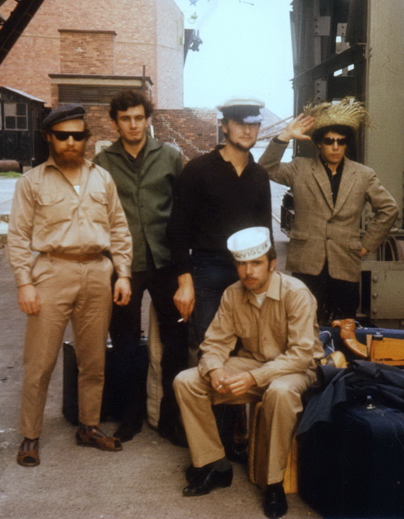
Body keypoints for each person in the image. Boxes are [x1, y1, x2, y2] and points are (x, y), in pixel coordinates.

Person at [7, 104, 133, 467]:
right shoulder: (31, 182)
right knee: (40, 361)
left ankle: (88, 426)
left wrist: (123, 273)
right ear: (49, 137)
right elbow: (18, 237)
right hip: (52, 271)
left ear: (86, 138)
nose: (71, 142)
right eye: (63, 136)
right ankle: (30, 435)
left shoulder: (102, 178)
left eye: (79, 136)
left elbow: (119, 228)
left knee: (93, 360)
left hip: (97, 272)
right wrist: (24, 283)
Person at [173, 227, 323, 519]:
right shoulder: (233, 294)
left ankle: (274, 483)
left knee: (279, 392)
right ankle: (215, 465)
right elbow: (215, 344)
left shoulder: (296, 293)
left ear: (272, 263)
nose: (248, 271)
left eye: (256, 263)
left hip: (295, 370)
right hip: (252, 365)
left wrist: (255, 378)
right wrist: (215, 369)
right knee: (187, 382)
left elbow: (301, 354)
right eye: (242, 264)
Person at [168, 97, 273, 459]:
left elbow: (264, 230)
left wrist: (268, 275)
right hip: (209, 269)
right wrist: (185, 281)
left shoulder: (259, 176)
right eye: (239, 123)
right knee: (211, 350)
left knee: (246, 350)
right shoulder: (198, 170)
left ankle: (234, 434)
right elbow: (177, 230)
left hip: (249, 271)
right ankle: (212, 443)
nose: (247, 130)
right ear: (224, 127)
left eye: (253, 124)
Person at [258, 97, 399, 356]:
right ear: (319, 143)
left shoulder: (363, 174)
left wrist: (366, 245)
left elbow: (389, 209)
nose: (335, 147)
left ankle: (341, 372)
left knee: (345, 329)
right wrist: (284, 136)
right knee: (303, 324)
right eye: (329, 141)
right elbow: (264, 168)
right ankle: (307, 371)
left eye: (341, 141)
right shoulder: (300, 169)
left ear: (346, 143)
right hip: (307, 263)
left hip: (345, 261)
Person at [93, 90, 188, 445]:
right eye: (125, 119)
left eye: (138, 118)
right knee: (126, 342)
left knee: (175, 341)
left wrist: (185, 265)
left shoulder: (170, 157)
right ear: (115, 123)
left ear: (148, 119)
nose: (133, 125)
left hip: (165, 261)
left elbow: (183, 210)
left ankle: (171, 417)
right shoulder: (102, 163)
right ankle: (130, 416)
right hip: (124, 266)